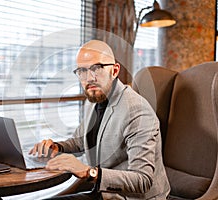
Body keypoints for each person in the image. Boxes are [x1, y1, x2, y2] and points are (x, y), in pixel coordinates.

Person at [29, 40, 170, 199]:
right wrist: (57, 147)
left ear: (115, 70)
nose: (89, 78)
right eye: (82, 70)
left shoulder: (137, 110)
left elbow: (143, 180)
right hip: (104, 193)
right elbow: (81, 141)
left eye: (97, 68)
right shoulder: (93, 100)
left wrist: (88, 172)